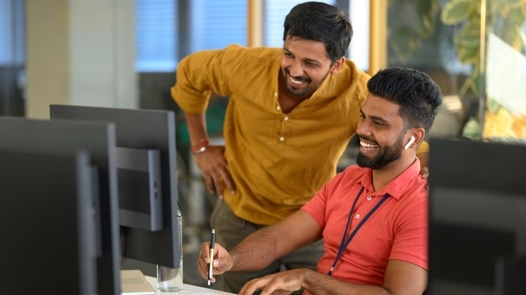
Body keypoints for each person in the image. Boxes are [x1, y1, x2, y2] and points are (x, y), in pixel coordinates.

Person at [171, 2, 428, 292]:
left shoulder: (358, 93)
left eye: (311, 63)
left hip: (310, 222)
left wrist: (432, 177)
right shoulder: (244, 66)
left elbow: (403, 137)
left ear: (337, 64)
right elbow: (189, 76)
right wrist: (201, 147)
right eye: (289, 55)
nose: (294, 70)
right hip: (240, 210)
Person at [198, 67, 442, 295]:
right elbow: (278, 239)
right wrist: (231, 259)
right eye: (363, 117)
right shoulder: (347, 180)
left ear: (413, 138)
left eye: (378, 123)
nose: (361, 129)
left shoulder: (419, 206)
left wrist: (307, 278)